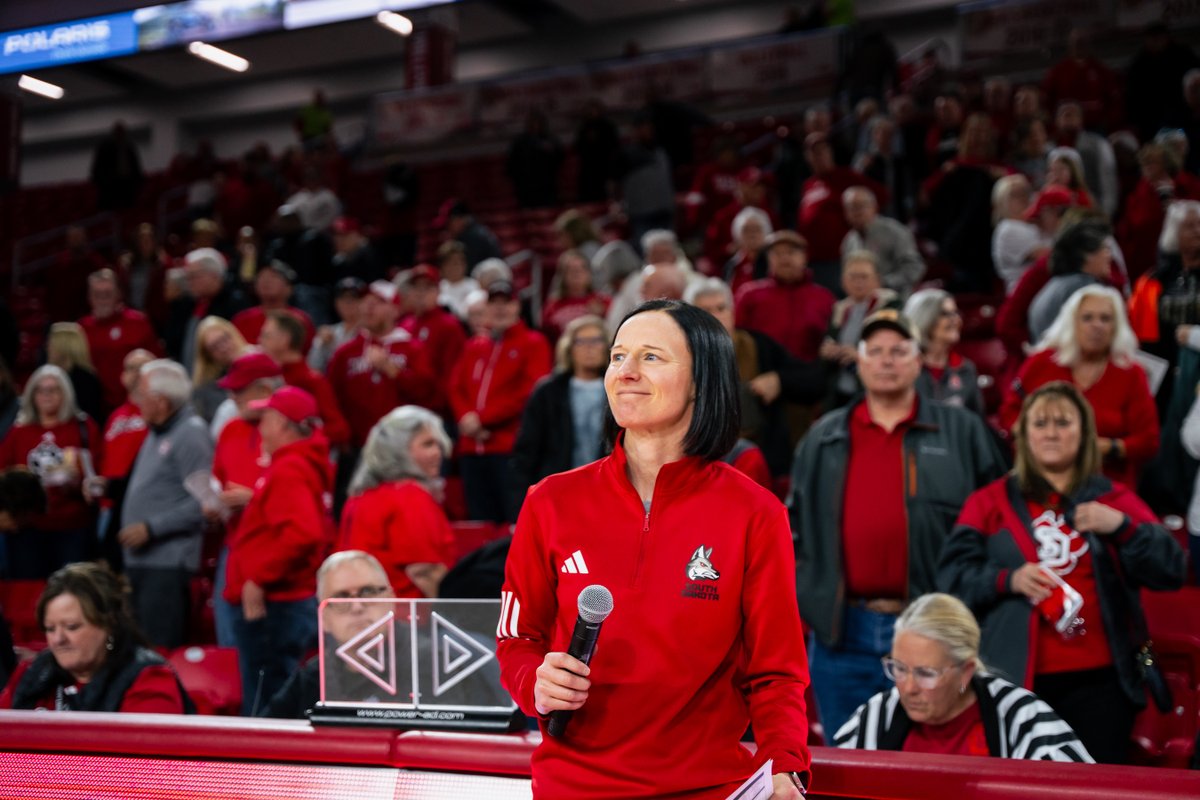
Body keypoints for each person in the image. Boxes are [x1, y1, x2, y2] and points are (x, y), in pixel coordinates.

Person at [498, 299, 810, 799]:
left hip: (707, 788)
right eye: (618, 356)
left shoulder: (756, 512)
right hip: (570, 787)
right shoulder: (549, 501)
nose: (625, 372)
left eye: (650, 357)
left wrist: (783, 762)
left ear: (702, 381)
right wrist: (533, 681)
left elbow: (776, 673)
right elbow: (518, 639)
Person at [939, 382, 1187, 763]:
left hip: (1102, 684)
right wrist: (1007, 579)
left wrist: (1123, 527)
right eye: (1040, 423)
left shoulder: (1113, 498)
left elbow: (1170, 569)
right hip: (1014, 682)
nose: (1051, 432)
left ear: (1084, 434)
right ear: (1022, 434)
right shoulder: (988, 501)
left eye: (1063, 422)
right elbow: (952, 577)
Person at [791, 311, 1005, 735]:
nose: (887, 361)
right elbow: (793, 528)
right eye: (877, 352)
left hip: (935, 631)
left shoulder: (963, 431)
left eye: (898, 351)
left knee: (933, 766)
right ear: (860, 361)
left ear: (918, 361)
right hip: (841, 634)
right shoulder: (823, 437)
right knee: (845, 765)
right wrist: (809, 596)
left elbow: (1001, 523)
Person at [833, 593, 1093, 762]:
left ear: (966, 672)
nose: (908, 688)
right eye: (899, 668)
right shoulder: (877, 717)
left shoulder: (1022, 718)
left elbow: (1076, 787)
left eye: (926, 673)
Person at [224, 386, 332, 715]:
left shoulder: (290, 469)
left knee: (268, 707)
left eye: (266, 419)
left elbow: (303, 534)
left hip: (276, 607)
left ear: (283, 424)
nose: (260, 428)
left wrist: (257, 580)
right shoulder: (295, 465)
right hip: (281, 604)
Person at [1002, 285, 1159, 488]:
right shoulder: (1040, 362)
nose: (1097, 326)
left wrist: (1105, 448)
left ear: (1117, 326)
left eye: (1105, 319)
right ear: (1071, 323)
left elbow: (1148, 442)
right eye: (1087, 318)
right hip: (1040, 476)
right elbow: (1009, 413)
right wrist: (1039, 440)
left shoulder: (1132, 373)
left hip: (1107, 482)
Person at [0, 562, 191, 713]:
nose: (58, 640)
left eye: (71, 627)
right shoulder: (32, 673)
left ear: (108, 624)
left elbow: (144, 760)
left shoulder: (149, 680)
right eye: (50, 629)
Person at [120, 359, 213, 649]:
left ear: (160, 401)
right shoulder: (157, 431)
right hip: (143, 562)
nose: (137, 404)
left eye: (142, 396)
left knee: (158, 650)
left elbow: (206, 502)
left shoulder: (191, 433)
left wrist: (152, 528)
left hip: (168, 565)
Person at [688, 280, 823, 478]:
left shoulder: (759, 345)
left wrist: (779, 379)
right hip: (698, 460)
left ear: (733, 313)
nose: (715, 317)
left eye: (721, 308)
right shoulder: (680, 355)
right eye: (705, 310)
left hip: (760, 461)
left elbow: (815, 381)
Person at [449, 281, 552, 524]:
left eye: (506, 302)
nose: (500, 308)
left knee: (513, 523)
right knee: (479, 523)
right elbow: (455, 387)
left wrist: (482, 420)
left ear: (517, 306)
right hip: (472, 450)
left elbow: (529, 393)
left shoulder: (533, 342)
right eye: (493, 303)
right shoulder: (475, 345)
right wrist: (466, 419)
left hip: (508, 449)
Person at [258, 550, 396, 718]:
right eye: (341, 598)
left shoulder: (428, 662)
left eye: (368, 592)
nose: (357, 606)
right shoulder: (313, 677)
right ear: (324, 618)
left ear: (391, 599)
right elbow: (265, 734)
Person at [338, 406, 457, 597]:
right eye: (427, 444)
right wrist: (453, 618)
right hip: (407, 619)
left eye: (438, 444)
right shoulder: (410, 496)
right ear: (399, 451)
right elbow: (426, 572)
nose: (437, 453)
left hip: (365, 613)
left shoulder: (361, 495)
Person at [0, 365, 100, 579]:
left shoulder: (84, 426)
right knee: (27, 591)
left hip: (72, 526)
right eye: (40, 390)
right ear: (31, 395)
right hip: (28, 529)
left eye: (54, 389)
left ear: (66, 393)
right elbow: (3, 473)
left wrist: (77, 481)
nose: (46, 395)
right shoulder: (18, 432)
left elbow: (98, 473)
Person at [510, 316, 610, 513]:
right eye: (581, 341)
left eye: (596, 340)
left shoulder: (621, 390)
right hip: (558, 492)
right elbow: (526, 451)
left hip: (606, 492)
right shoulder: (547, 392)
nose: (589, 348)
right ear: (569, 348)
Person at [735, 230, 836, 362]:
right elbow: (736, 337)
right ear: (769, 259)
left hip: (809, 375)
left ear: (805, 257)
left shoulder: (824, 297)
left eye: (791, 252)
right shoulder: (749, 294)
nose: (784, 258)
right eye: (777, 253)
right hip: (760, 375)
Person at [258, 310, 350, 449]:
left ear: (285, 339)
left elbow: (338, 430)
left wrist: (299, 439)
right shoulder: (270, 377)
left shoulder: (312, 382)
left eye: (266, 335)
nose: (260, 340)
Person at [821, 252, 901, 408]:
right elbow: (829, 342)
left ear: (877, 280)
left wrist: (860, 355)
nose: (858, 282)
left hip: (873, 391)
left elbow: (895, 348)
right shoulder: (840, 309)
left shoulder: (891, 307)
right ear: (843, 281)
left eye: (864, 277)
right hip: (839, 392)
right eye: (853, 277)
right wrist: (827, 351)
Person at [78, 269, 162, 416]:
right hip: (97, 409)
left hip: (138, 404)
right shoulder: (82, 329)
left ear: (118, 294)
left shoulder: (138, 322)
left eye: (108, 294)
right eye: (98, 294)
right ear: (89, 297)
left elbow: (156, 363)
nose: (103, 299)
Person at [165, 248, 250, 375]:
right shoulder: (188, 304)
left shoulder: (235, 303)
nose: (189, 283)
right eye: (187, 278)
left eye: (194, 276)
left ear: (214, 275)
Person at [1027, 220, 1114, 343]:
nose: (1109, 255)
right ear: (1087, 255)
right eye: (1105, 249)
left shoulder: (1058, 283)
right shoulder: (1083, 287)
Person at [904, 289, 984, 415]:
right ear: (924, 318)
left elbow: (977, 422)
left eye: (956, 313)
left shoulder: (965, 369)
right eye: (945, 314)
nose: (955, 319)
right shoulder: (903, 367)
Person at [841, 186, 925, 296]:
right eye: (851, 208)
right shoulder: (848, 242)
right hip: (863, 305)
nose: (857, 212)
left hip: (896, 301)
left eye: (861, 206)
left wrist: (883, 283)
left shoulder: (895, 232)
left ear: (874, 207)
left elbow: (915, 268)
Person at [991, 174, 1047, 294]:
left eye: (1025, 192)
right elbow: (1046, 256)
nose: (1023, 198)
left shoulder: (1034, 224)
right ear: (1002, 201)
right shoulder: (1008, 228)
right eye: (1014, 195)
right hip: (1022, 292)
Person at [540, 250, 611, 344]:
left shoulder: (603, 302)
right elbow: (546, 339)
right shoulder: (552, 306)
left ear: (589, 273)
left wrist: (602, 316)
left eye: (582, 268)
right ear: (562, 276)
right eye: (571, 270)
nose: (577, 273)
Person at [190, 317, 251, 426]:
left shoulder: (260, 360)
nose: (223, 347)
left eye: (225, 339)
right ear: (208, 356)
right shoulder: (206, 389)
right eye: (215, 347)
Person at [46, 322, 104, 425]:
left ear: (63, 347)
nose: (47, 348)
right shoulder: (48, 377)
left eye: (51, 344)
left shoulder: (86, 380)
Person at [308, 277, 365, 373]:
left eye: (353, 298)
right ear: (336, 303)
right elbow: (313, 368)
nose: (347, 303)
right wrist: (321, 345)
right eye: (343, 298)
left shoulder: (372, 332)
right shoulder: (330, 333)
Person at [723, 206, 772, 295]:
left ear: (766, 233)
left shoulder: (772, 262)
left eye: (757, 230)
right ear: (737, 234)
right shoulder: (732, 265)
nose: (752, 235)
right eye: (747, 230)